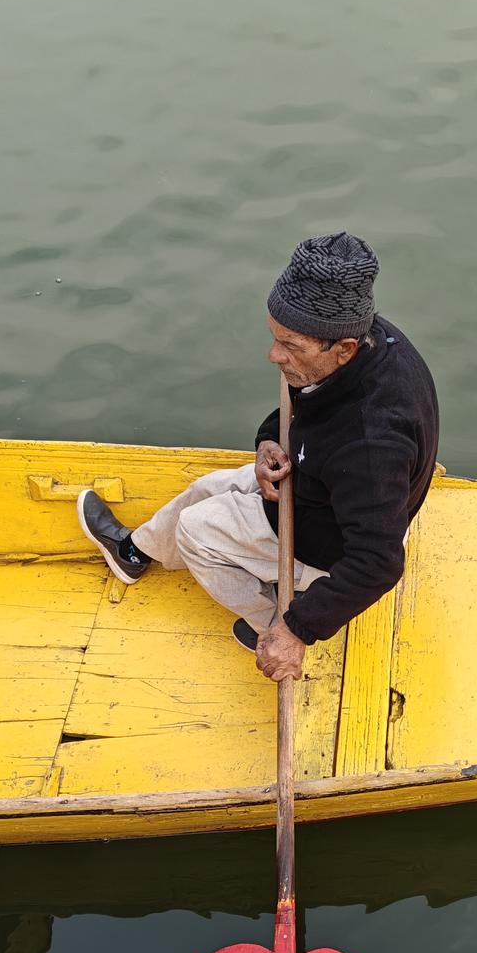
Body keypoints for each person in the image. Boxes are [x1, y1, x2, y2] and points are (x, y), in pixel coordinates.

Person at [77, 231, 439, 682]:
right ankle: (135, 553)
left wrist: (298, 629)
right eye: (275, 337)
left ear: (343, 349)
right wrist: (270, 440)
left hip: (333, 545)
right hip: (321, 489)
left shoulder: (371, 444)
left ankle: (267, 624)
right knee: (206, 489)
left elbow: (378, 563)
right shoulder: (370, 340)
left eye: (290, 347)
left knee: (196, 531)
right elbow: (305, 403)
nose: (273, 355)